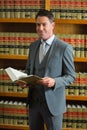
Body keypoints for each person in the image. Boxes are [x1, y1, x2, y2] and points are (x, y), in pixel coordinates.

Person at [22, 9, 76, 130]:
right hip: (34, 103)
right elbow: (29, 70)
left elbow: (71, 76)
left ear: (52, 25)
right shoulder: (33, 46)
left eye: (44, 24)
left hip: (53, 105)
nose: (40, 28)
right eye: (37, 24)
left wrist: (54, 82)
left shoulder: (64, 48)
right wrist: (24, 80)